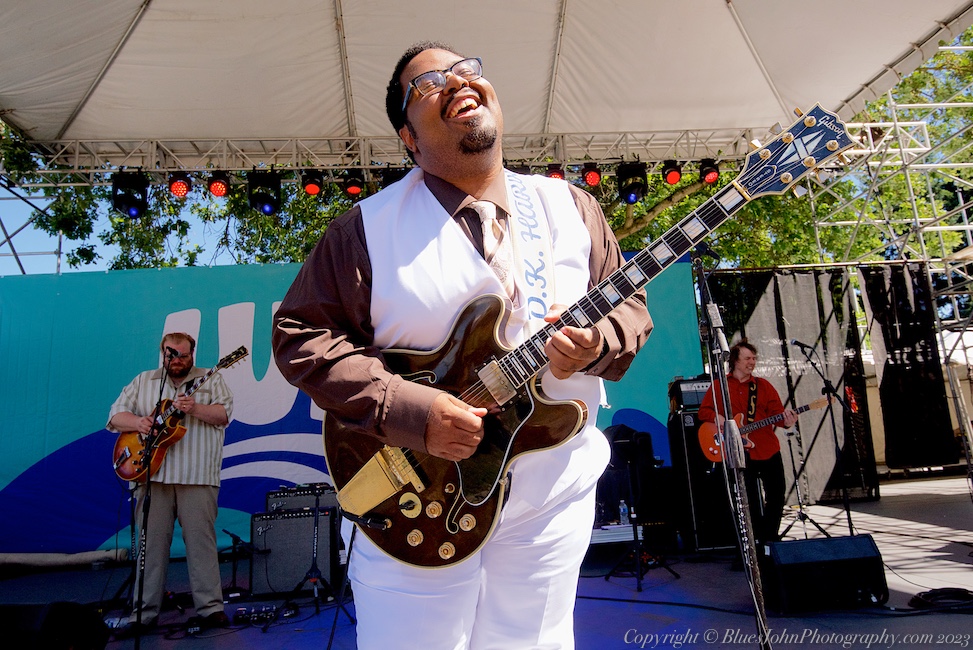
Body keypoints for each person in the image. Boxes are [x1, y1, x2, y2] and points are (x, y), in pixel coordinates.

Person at [272, 41, 652, 649]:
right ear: (407, 137)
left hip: (553, 488)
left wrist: (599, 343)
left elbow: (630, 306)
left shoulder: (570, 207)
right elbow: (300, 337)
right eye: (429, 84)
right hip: (418, 491)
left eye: (467, 69)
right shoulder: (362, 230)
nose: (456, 82)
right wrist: (409, 411)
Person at [106, 332, 233, 638]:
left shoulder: (210, 378)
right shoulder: (144, 381)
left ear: (193, 354)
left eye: (184, 355)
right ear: (162, 354)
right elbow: (114, 416)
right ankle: (143, 612)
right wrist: (139, 423)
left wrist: (195, 409)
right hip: (152, 477)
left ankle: (211, 609)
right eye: (171, 355)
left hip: (197, 475)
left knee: (201, 545)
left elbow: (224, 414)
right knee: (151, 547)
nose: (178, 361)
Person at [698, 339, 797, 549]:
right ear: (735, 361)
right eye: (747, 359)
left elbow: (777, 415)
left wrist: (787, 421)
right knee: (747, 500)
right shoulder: (719, 386)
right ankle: (752, 545)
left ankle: (769, 539)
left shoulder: (763, 386)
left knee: (777, 494)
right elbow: (703, 412)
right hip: (739, 452)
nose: (752, 362)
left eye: (754, 358)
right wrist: (718, 418)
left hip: (767, 448)